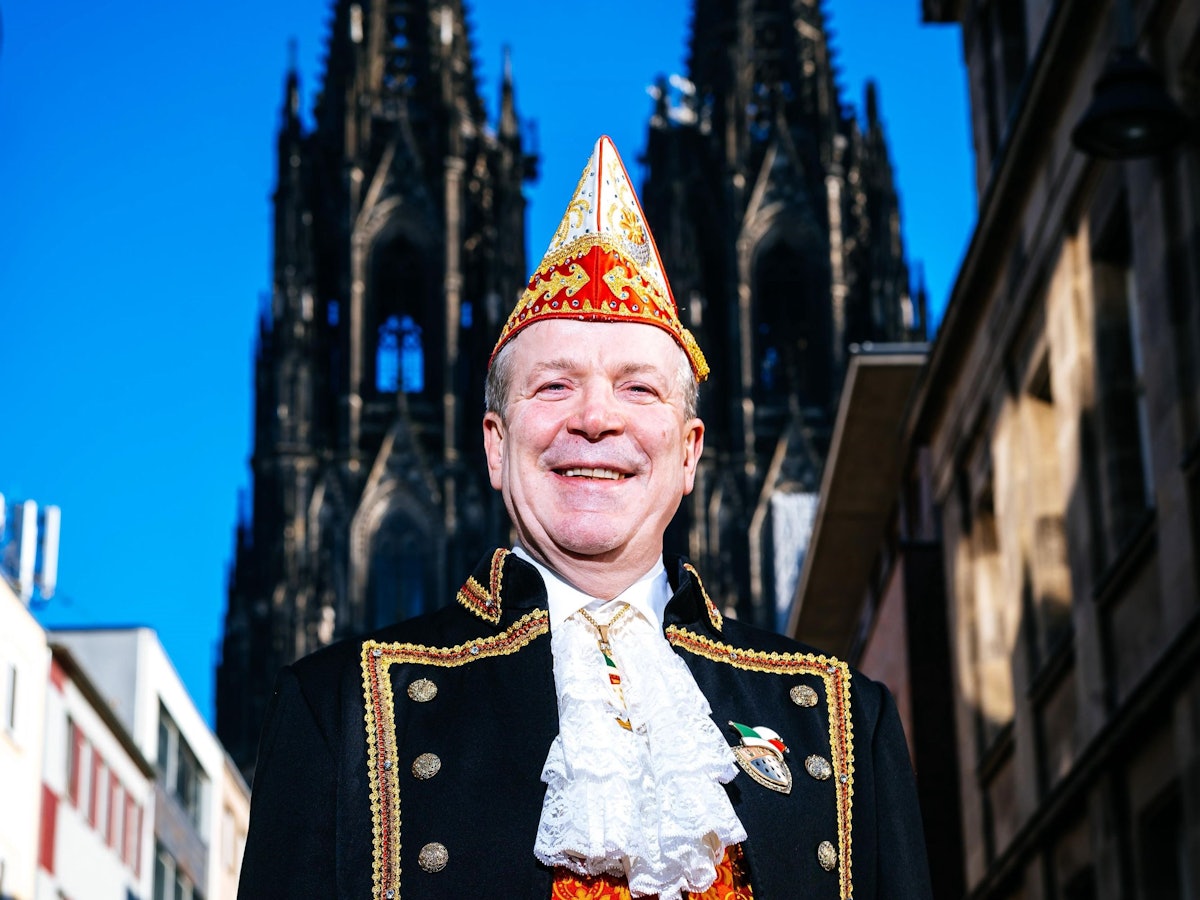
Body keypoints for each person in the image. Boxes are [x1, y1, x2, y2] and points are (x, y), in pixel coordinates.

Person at [238, 135, 933, 900]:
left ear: (691, 450)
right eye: (554, 388)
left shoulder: (841, 720)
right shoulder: (339, 712)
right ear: (495, 446)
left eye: (638, 389)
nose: (596, 419)